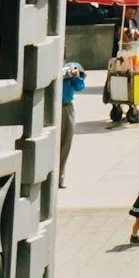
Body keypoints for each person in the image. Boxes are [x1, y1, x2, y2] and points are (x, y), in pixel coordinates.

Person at [60, 58, 85, 187]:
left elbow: (80, 87)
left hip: (66, 106)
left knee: (66, 142)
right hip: (53, 107)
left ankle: (60, 177)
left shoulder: (70, 74)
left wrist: (76, 77)